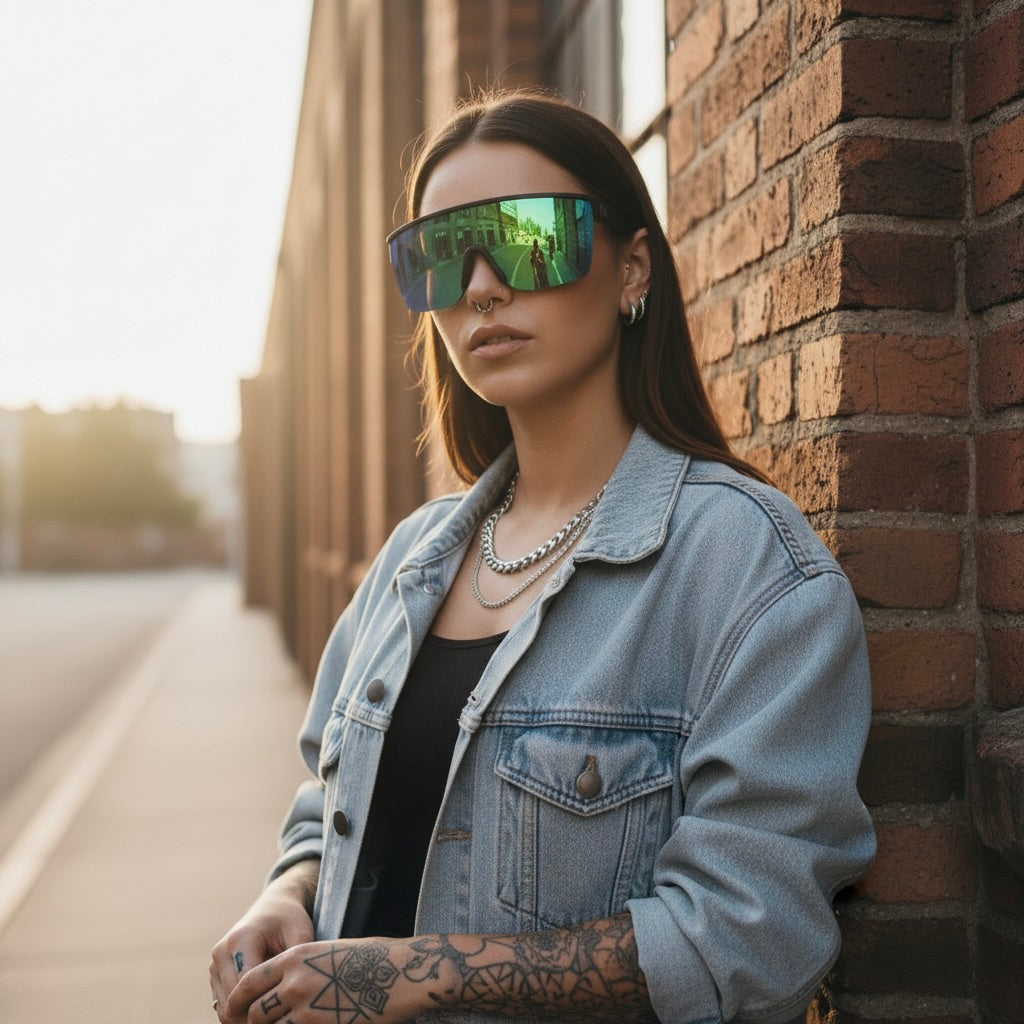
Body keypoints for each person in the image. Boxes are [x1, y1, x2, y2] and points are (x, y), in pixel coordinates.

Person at [210, 91, 875, 1024]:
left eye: (528, 238)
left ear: (631, 267)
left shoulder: (748, 573)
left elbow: (749, 936)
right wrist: (289, 890)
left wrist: (421, 972)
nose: (481, 284)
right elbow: (331, 794)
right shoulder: (413, 559)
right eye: (442, 253)